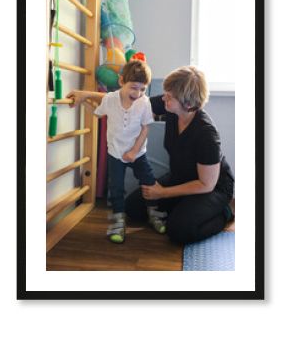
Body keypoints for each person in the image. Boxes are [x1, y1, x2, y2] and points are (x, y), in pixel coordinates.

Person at [125, 65, 235, 244]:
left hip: (213, 188)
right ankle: (183, 206)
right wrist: (88, 96)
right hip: (181, 177)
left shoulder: (206, 134)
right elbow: (130, 103)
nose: (163, 98)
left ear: (188, 104)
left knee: (178, 231)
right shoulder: (172, 107)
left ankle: (225, 213)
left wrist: (163, 193)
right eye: (165, 93)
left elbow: (206, 184)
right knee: (133, 208)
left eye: (169, 97)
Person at [66, 60, 166, 244]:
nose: (138, 93)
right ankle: (119, 221)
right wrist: (82, 102)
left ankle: (154, 214)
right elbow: (97, 114)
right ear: (121, 82)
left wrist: (135, 151)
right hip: (116, 152)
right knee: (116, 188)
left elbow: (145, 129)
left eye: (143, 89)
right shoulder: (110, 99)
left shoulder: (144, 103)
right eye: (134, 88)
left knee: (148, 180)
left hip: (138, 152)